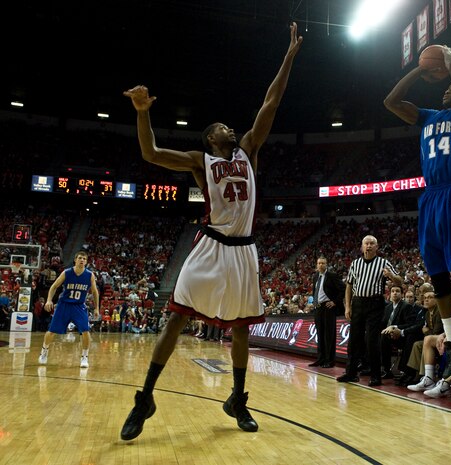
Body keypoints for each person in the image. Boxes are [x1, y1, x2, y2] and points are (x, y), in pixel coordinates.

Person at [119, 22, 303, 441]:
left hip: (244, 251)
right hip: (210, 247)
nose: (229, 129)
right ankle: (144, 397)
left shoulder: (250, 148)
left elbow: (271, 102)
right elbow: (149, 153)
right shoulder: (198, 161)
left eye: (229, 127)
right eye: (221, 127)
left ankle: (238, 398)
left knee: (240, 329)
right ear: (209, 137)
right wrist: (144, 114)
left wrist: (289, 56)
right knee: (175, 320)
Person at [384, 44, 451, 386]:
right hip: (431, 197)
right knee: (439, 275)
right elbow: (391, 102)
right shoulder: (428, 116)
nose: (446, 89)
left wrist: (450, 61)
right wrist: (419, 70)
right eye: (444, 85)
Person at [337, 235, 403, 387]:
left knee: (372, 340)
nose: (369, 246)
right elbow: (349, 285)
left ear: (377, 247)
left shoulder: (383, 262)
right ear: (362, 247)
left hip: (375, 303)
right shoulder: (355, 263)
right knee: (354, 340)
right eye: (366, 243)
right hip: (358, 303)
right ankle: (351, 373)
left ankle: (375, 376)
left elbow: (399, 281)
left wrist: (391, 276)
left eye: (372, 243)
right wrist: (348, 306)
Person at [38, 250, 99, 368]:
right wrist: (49, 300)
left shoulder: (89, 275)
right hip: (64, 305)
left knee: (86, 331)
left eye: (84, 259)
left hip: (79, 306)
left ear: (86, 262)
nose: (82, 260)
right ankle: (44, 352)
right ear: (75, 260)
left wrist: (96, 308)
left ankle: (84, 357)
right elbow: (54, 286)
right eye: (80, 258)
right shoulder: (67, 272)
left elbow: (95, 292)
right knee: (51, 331)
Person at [308, 256, 345, 368]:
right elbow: (315, 291)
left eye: (323, 263)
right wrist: (314, 303)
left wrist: (334, 302)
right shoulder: (315, 277)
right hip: (318, 308)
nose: (321, 265)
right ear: (316, 265)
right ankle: (320, 359)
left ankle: (330, 360)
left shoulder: (332, 276)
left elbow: (343, 289)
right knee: (320, 334)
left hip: (328, 308)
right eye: (319, 263)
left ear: (326, 264)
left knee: (329, 335)